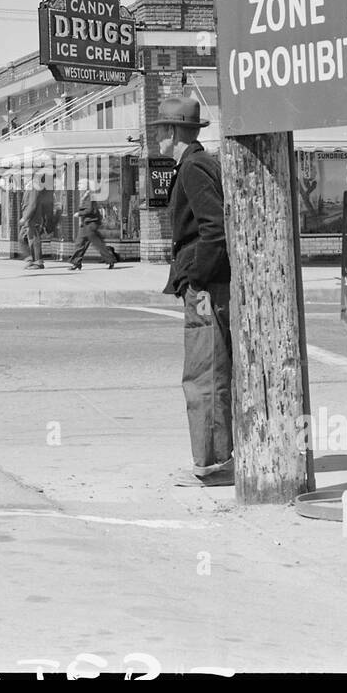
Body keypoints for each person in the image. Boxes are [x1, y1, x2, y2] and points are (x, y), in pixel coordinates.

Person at [151, 95, 233, 487]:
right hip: (206, 282)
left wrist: (197, 277)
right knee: (208, 370)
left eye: (160, 131)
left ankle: (213, 464)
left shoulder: (194, 168)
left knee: (203, 372)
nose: (157, 140)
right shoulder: (196, 164)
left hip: (205, 286)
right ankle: (216, 458)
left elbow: (214, 229)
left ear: (171, 132)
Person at [69, 188, 119, 270]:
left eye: (80, 184)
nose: (79, 186)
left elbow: (90, 210)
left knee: (98, 244)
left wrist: (79, 214)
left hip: (91, 224)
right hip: (85, 224)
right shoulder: (84, 196)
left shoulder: (89, 196)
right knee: (79, 243)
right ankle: (76, 262)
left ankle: (110, 260)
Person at [19, 169, 54, 270]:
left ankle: (38, 262)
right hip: (29, 219)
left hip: (33, 218)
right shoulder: (29, 187)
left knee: (34, 240)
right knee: (23, 238)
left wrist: (25, 218)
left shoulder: (35, 187)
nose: (23, 178)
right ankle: (30, 259)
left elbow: (33, 205)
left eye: (25, 176)